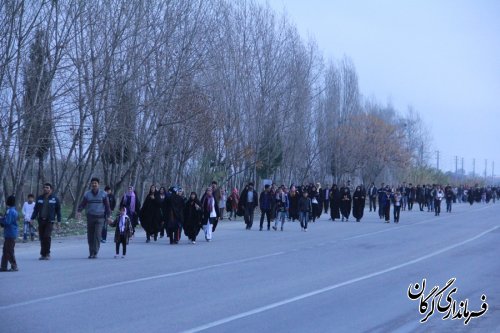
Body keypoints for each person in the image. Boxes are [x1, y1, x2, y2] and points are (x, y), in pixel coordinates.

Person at [77, 177, 111, 259]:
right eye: (93, 183)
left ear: (98, 184)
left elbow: (107, 207)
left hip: (100, 218)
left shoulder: (103, 194)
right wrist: (79, 211)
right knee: (90, 235)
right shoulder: (87, 194)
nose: (94, 184)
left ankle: (95, 252)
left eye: (96, 183)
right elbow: (83, 204)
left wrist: (108, 217)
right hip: (90, 217)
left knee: (97, 235)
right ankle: (91, 252)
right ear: (91, 184)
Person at [31, 183, 62, 260]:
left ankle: (47, 253)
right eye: (44, 188)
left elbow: (58, 211)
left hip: (50, 220)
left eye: (47, 188)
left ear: (51, 189)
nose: (45, 189)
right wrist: (32, 218)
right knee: (42, 237)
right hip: (41, 220)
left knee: (47, 236)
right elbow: (36, 209)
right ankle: (43, 254)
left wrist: (59, 221)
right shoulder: (40, 198)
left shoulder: (55, 199)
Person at [1, 196, 18, 271]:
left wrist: (1, 220)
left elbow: (7, 222)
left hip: (10, 233)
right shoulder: (12, 210)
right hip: (10, 233)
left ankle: (14, 266)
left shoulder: (10, 211)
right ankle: (4, 266)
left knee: (9, 250)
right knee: (5, 250)